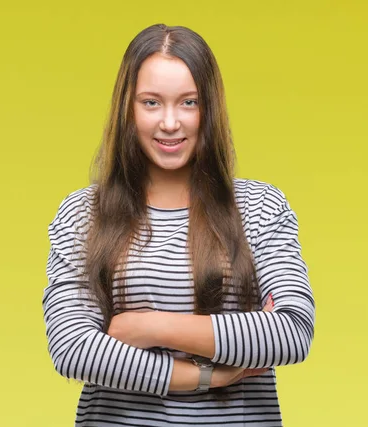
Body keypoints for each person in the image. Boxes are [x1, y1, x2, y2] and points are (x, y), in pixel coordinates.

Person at [42, 23, 315, 426]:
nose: (170, 123)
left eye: (188, 103)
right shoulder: (83, 214)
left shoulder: (259, 207)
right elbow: (73, 347)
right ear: (127, 109)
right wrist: (205, 375)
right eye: (151, 103)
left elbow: (290, 332)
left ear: (210, 109)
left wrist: (146, 326)